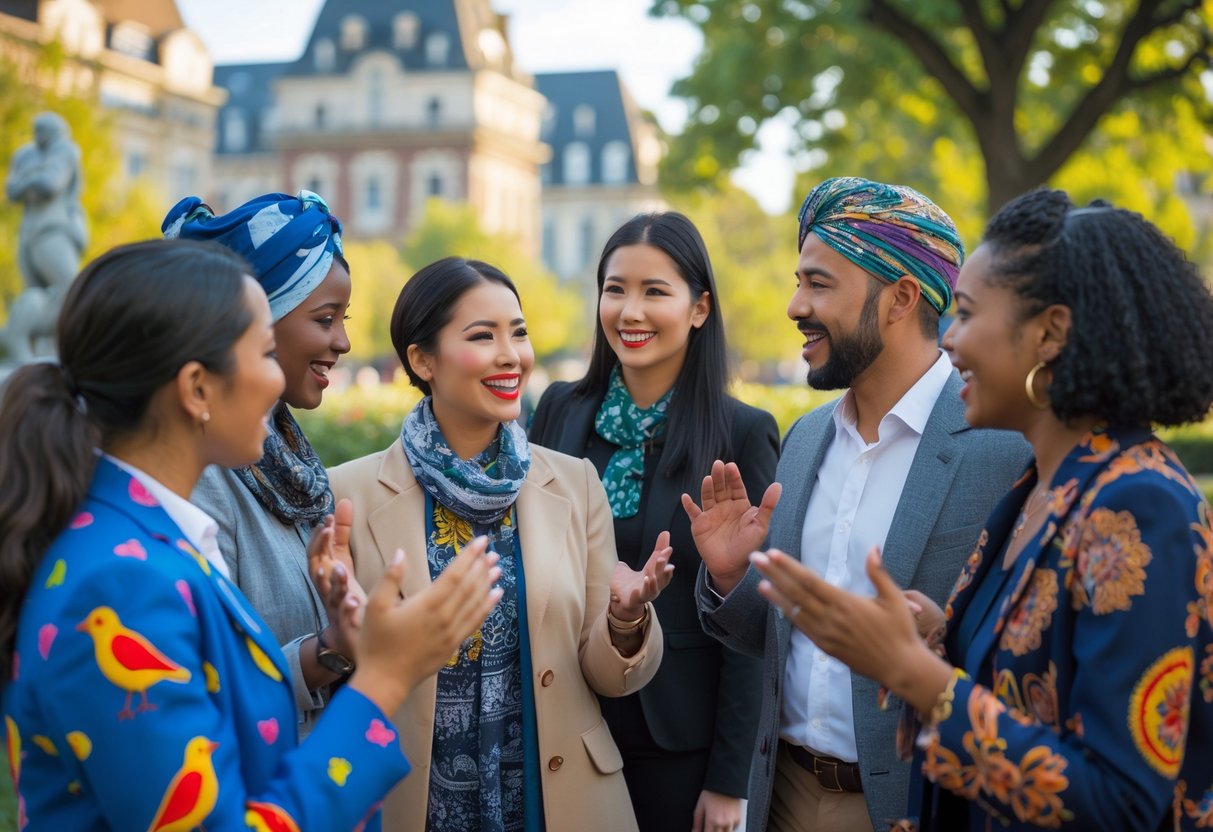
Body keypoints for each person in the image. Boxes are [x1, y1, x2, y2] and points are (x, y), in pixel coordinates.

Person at [749, 189, 1213, 831]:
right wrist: (939, 638)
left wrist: (912, 674)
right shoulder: (1035, 492)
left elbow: (1123, 804)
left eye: (965, 314)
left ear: (1049, 333)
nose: (951, 340)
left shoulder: (1141, 505)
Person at [0, 239, 500, 830]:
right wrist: (384, 679)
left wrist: (341, 644)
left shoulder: (152, 540)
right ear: (197, 389)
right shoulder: (121, 582)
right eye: (265, 351)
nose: (276, 380)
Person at [683, 176, 1031, 831]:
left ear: (900, 297)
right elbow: (789, 642)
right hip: (779, 793)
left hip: (905, 804)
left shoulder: (1003, 449)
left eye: (818, 284)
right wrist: (733, 577)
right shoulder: (806, 437)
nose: (793, 305)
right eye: (797, 282)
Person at [329, 256, 674, 831]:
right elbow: (342, 669)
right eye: (482, 336)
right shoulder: (350, 493)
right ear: (422, 360)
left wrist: (625, 620)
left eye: (518, 332)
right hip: (405, 800)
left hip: (557, 802)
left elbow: (609, 676)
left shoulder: (573, 484)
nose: (511, 354)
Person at [529, 212, 776, 832]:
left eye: (654, 291)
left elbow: (754, 617)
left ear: (699, 309)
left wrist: (729, 780)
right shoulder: (561, 409)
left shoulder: (741, 430)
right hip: (566, 723)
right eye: (615, 289)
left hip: (681, 742)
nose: (629, 311)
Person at [162, 190, 357, 738]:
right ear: (257, 325)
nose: (343, 341)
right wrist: (337, 651)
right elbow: (202, 689)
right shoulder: (197, 478)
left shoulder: (289, 465)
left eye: (345, 318)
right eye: (325, 318)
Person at [3, 111, 87, 360]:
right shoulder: (38, 153)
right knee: (70, 291)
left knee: (53, 293)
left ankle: (40, 345)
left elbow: (49, 183)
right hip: (48, 231)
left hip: (39, 231)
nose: (38, 136)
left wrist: (28, 181)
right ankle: (21, 339)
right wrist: (36, 179)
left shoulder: (59, 151)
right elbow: (35, 185)